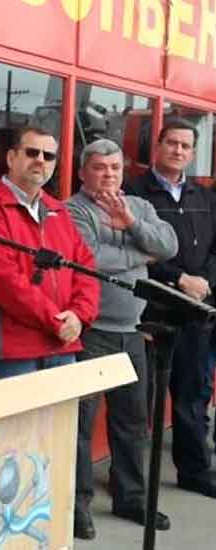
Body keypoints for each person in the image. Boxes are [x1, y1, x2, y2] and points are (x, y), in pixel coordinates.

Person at [66, 139, 177, 539]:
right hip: (92, 332)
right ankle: (77, 506)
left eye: (115, 167)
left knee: (132, 422)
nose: (109, 174)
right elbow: (88, 259)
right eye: (99, 167)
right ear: (83, 172)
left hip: (133, 333)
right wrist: (139, 255)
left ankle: (130, 498)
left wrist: (131, 226)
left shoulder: (140, 207)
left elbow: (168, 245)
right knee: (81, 425)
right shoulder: (73, 209)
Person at [0, 126, 100, 380]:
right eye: (32, 152)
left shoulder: (58, 210)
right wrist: (57, 322)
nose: (40, 160)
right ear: (11, 158)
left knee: (61, 421)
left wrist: (80, 316)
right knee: (18, 422)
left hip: (63, 343)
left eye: (48, 156)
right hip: (14, 351)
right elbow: (2, 280)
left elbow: (85, 266)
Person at [127, 117, 216, 498]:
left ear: (193, 153)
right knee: (140, 401)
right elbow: (135, 251)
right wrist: (179, 280)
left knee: (193, 393)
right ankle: (132, 482)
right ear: (157, 147)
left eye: (185, 145)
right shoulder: (135, 192)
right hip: (154, 308)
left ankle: (194, 470)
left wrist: (205, 282)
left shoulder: (203, 196)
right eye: (171, 143)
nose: (178, 151)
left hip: (197, 308)